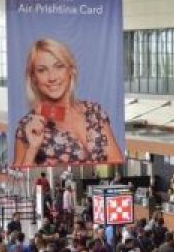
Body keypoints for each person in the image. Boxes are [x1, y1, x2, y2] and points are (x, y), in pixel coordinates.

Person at [13, 38, 123, 166]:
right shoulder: (27, 127)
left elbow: (117, 166)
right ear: (33, 78)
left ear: (71, 70)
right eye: (42, 70)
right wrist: (32, 149)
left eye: (59, 66)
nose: (52, 77)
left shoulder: (94, 112)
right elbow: (19, 184)